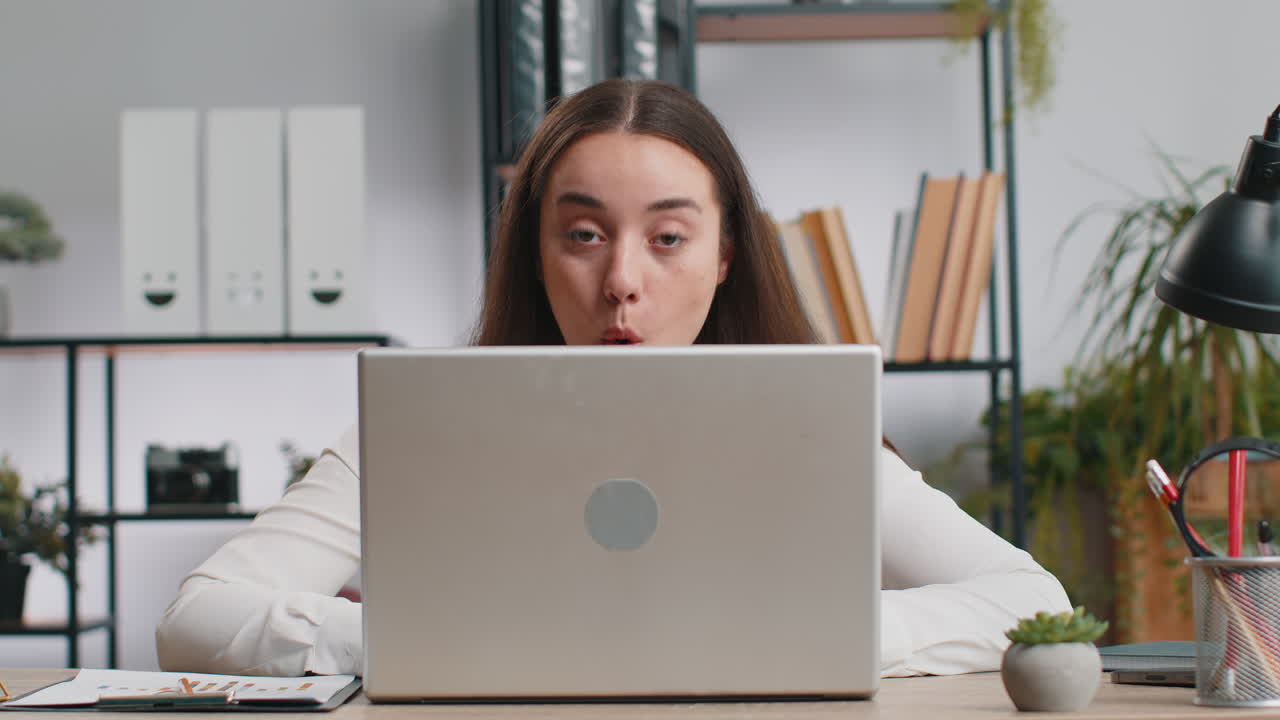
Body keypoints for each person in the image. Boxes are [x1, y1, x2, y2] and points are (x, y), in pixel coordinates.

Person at [155, 78, 1070, 678]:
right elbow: (196, 619)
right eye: (585, 234)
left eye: (668, 238)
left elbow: (1031, 600)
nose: (623, 280)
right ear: (536, 254)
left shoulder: (802, 431)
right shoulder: (417, 430)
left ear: (723, 261)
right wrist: (426, 645)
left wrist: (820, 637)